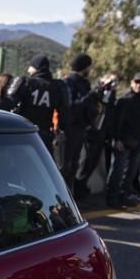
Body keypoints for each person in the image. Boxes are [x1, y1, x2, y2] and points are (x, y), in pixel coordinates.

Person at [105, 72, 140, 209]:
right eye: (136, 82)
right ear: (132, 83)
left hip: (139, 142)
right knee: (117, 171)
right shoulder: (124, 100)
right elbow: (115, 122)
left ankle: (125, 196)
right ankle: (112, 199)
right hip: (124, 141)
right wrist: (117, 139)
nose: (139, 85)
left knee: (131, 172)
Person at [6, 55, 70, 152]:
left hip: (22, 132)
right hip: (44, 135)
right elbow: (64, 116)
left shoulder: (26, 83)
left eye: (30, 67)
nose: (28, 70)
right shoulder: (57, 87)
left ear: (36, 67)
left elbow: (7, 103)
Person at [60, 53, 97, 193]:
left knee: (74, 166)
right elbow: (71, 107)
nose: (90, 70)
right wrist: (88, 98)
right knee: (66, 165)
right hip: (69, 130)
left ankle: (71, 197)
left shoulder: (85, 83)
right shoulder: (68, 83)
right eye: (89, 67)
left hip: (80, 129)